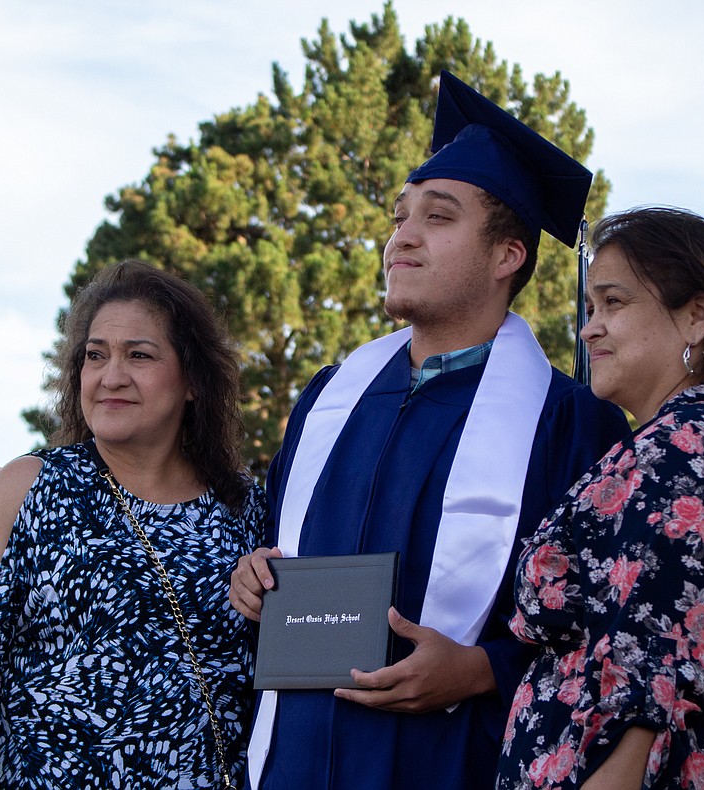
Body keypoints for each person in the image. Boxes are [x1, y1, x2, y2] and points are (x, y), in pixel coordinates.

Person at [229, 70, 630, 789]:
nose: (400, 239)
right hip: (293, 761)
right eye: (398, 217)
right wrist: (254, 576)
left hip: (453, 763)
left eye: (437, 218)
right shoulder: (330, 400)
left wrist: (483, 669)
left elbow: (608, 628)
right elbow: (272, 550)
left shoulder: (570, 423)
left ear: (508, 256)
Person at [0, 259, 268, 789]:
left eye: (138, 355)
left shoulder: (247, 509)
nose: (111, 376)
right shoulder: (28, 488)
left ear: (193, 381)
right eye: (95, 355)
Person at [497, 207, 704, 788]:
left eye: (613, 303)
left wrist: (615, 776)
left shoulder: (697, 443)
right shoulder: (664, 443)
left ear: (696, 316)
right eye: (590, 308)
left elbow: (662, 637)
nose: (588, 328)